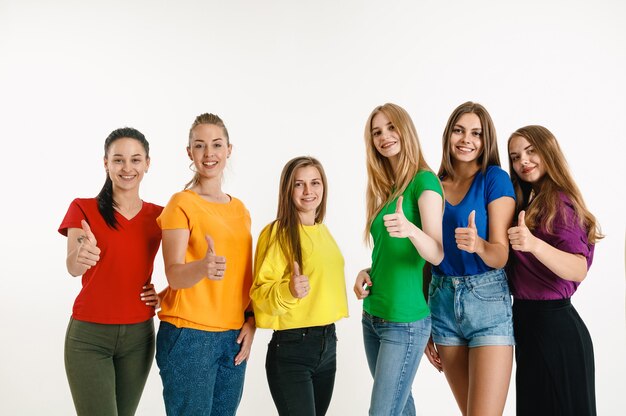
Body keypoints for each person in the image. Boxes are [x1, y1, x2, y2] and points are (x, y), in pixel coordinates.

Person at [155, 113, 255, 415]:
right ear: (189, 153)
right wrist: (202, 267)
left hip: (234, 336)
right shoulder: (181, 204)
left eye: (216, 145)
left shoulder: (240, 209)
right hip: (190, 336)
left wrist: (251, 321)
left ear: (229, 150)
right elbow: (173, 274)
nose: (209, 154)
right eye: (199, 146)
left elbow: (243, 278)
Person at [58, 127, 162, 416]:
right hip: (89, 337)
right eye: (118, 160)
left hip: (139, 337)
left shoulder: (160, 216)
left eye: (135, 160)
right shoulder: (84, 208)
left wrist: (164, 293)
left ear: (147, 164)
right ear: (106, 163)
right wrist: (82, 254)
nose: (127, 168)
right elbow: (72, 266)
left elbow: (182, 266)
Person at [424, 102, 515, 415]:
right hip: (441, 302)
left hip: (486, 298)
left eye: (476, 133)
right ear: (448, 134)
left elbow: (501, 254)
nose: (466, 139)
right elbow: (423, 257)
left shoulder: (494, 179)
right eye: (459, 130)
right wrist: (424, 324)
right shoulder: (430, 184)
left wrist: (478, 244)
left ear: (485, 139)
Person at [353, 103, 444, 416]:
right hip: (373, 315)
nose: (384, 136)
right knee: (400, 408)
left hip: (404, 322)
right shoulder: (390, 189)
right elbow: (390, 255)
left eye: (391, 127)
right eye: (377, 132)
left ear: (405, 130)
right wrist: (367, 271)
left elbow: (436, 252)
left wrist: (411, 231)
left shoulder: (425, 182)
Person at [507, 125, 600, 416]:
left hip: (554, 330)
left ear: (549, 152)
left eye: (531, 151)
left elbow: (578, 268)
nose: (523, 160)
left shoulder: (558, 202)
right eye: (515, 156)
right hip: (531, 327)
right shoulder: (532, 202)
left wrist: (533, 244)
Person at [251, 156, 349, 416]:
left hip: (328, 344)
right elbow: (259, 294)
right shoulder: (276, 234)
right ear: (287, 190)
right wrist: (289, 290)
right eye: (299, 184)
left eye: (315, 183)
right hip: (292, 349)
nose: (309, 191)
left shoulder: (324, 232)